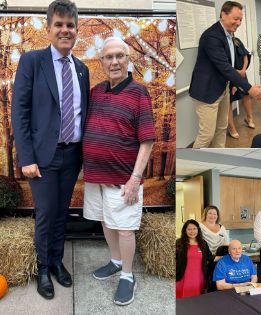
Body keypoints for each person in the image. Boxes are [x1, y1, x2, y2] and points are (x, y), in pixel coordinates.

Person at [12, 0, 89, 299]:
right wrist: (26, 158)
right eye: (59, 25)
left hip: (72, 155)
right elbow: (20, 112)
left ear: (76, 30)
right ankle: (43, 268)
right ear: (48, 29)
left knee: (61, 213)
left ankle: (57, 262)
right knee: (45, 213)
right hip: (42, 157)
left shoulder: (81, 69)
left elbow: (84, 112)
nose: (65, 30)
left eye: (70, 25)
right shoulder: (32, 62)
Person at [83, 37, 155, 306]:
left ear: (127, 60)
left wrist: (135, 178)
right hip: (95, 176)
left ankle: (127, 275)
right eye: (108, 57)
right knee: (105, 219)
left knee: (125, 229)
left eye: (119, 56)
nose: (114, 61)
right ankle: (115, 260)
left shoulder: (139, 93)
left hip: (123, 179)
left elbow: (147, 140)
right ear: (101, 62)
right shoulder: (96, 91)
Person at [189, 1, 261, 148]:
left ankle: (217, 159)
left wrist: (233, 84)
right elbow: (225, 67)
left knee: (221, 128)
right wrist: (249, 88)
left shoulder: (229, 35)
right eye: (236, 18)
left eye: (240, 19)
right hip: (206, 92)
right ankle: (192, 163)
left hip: (223, 88)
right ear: (223, 14)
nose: (239, 22)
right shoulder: (212, 36)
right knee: (206, 135)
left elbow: (231, 63)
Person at [176, 220, 213, 299]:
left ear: (198, 230)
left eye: (194, 229)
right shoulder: (179, 243)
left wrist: (224, 257)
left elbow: (210, 257)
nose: (192, 231)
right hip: (183, 277)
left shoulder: (203, 243)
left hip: (199, 278)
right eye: (189, 229)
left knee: (197, 301)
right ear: (185, 231)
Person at [226, 33, 252, 138]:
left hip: (242, 74)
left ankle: (249, 118)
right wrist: (236, 72)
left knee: (246, 95)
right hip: (229, 76)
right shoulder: (222, 43)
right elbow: (224, 64)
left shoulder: (237, 41)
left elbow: (245, 56)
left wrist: (243, 70)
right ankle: (231, 127)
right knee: (228, 101)